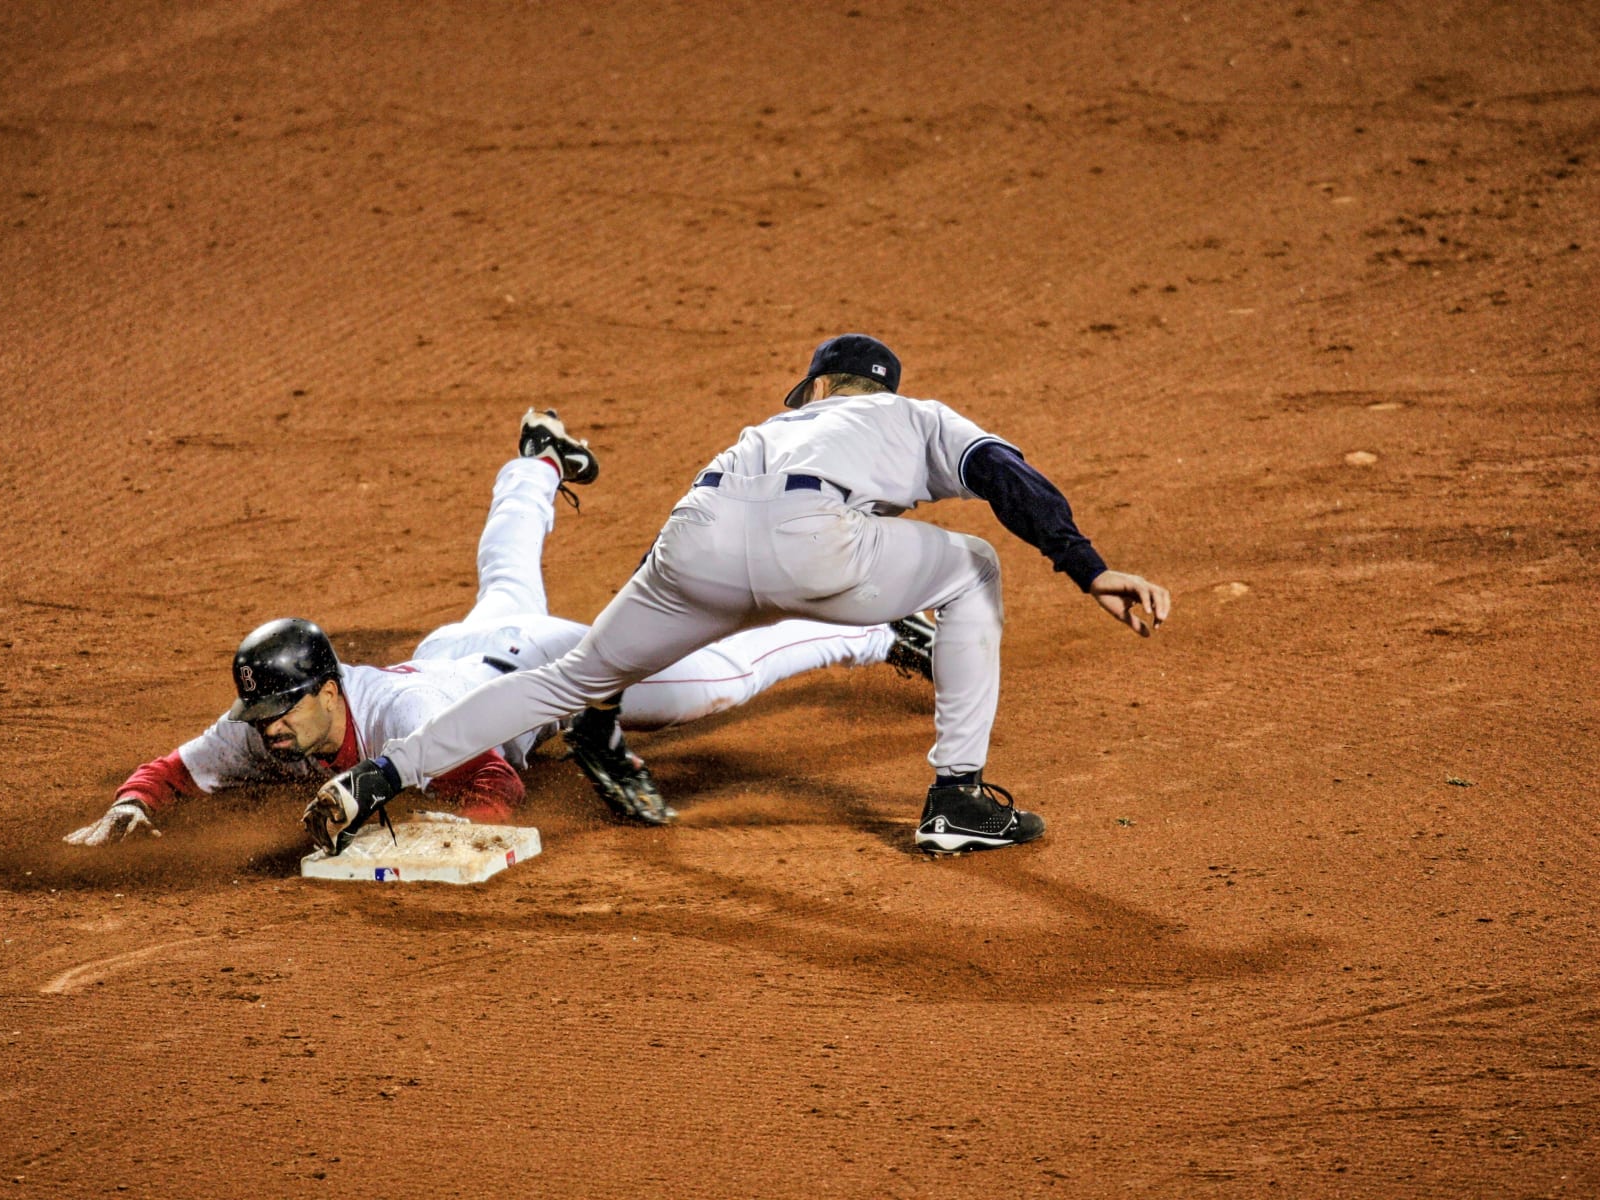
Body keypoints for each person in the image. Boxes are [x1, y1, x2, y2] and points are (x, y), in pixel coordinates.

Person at [304, 334, 1171, 858]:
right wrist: (1085, 565)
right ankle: (957, 798)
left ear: (821, 388)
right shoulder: (919, 417)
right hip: (817, 546)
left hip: (695, 544)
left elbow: (666, 546)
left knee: (566, 677)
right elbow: (1003, 476)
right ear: (882, 391)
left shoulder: (768, 428)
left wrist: (613, 669)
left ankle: (381, 775)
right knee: (973, 565)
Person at [65, 409, 935, 845]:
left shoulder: (406, 724)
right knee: (506, 582)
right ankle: (541, 462)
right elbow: (179, 767)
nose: (272, 730)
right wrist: (133, 807)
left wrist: (442, 836)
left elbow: (493, 788)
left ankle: (877, 628)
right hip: (464, 653)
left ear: (326, 689)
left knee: (708, 684)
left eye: (282, 713)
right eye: (263, 720)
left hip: (550, 670)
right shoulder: (271, 722)